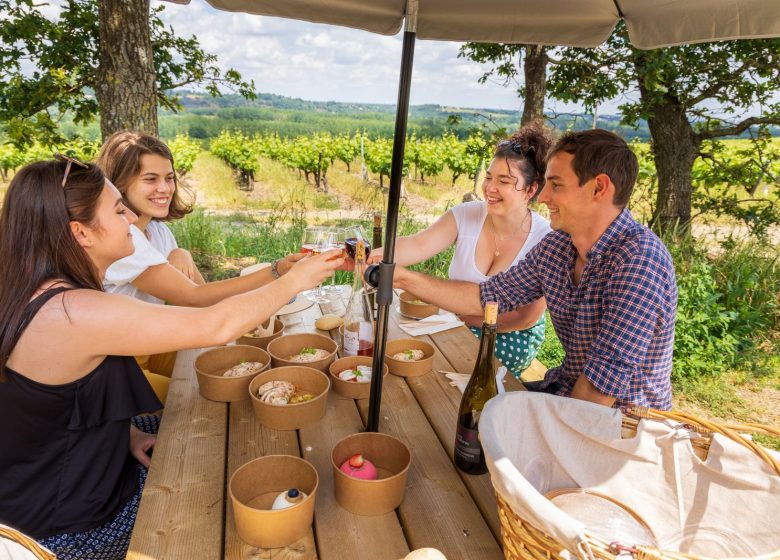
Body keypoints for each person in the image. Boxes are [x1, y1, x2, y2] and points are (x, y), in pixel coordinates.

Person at [0, 156, 342, 559]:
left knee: (212, 428)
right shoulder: (73, 312)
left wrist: (125, 433)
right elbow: (217, 326)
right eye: (117, 209)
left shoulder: (34, 292)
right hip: (74, 530)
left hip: (67, 479)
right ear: (81, 233)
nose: (130, 217)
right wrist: (293, 281)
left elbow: (49, 410)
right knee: (229, 477)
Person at [393, 129, 677, 410]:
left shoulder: (639, 260)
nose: (542, 197)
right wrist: (402, 277)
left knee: (466, 417)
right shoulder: (557, 247)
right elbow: (486, 297)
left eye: (556, 185)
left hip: (621, 423)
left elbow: (599, 391)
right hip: (565, 394)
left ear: (599, 188)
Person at [96, 132, 302, 402]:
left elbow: (203, 298)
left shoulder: (157, 231)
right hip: (116, 363)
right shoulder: (123, 238)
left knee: (228, 370)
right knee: (203, 396)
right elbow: (195, 297)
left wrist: (183, 254)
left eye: (169, 178)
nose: (165, 188)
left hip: (151, 343)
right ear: (120, 184)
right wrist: (277, 272)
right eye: (150, 179)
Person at [370, 124, 553, 378]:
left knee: (431, 365)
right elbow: (417, 244)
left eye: (504, 181)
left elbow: (525, 318)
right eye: (489, 177)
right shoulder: (467, 214)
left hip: (510, 337)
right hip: (455, 320)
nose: (490, 187)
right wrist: (373, 256)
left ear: (531, 190)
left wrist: (464, 318)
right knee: (395, 349)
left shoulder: (546, 238)